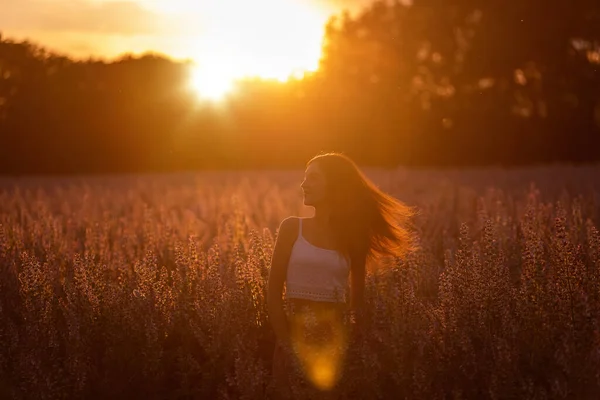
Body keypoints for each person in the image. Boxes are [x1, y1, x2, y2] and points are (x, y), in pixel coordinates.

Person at [267, 152, 415, 398]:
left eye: (313, 178)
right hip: (291, 339)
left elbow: (358, 306)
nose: (304, 184)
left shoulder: (353, 238)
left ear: (334, 184)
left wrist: (351, 351)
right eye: (304, 178)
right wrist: (286, 345)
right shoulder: (291, 228)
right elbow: (272, 294)